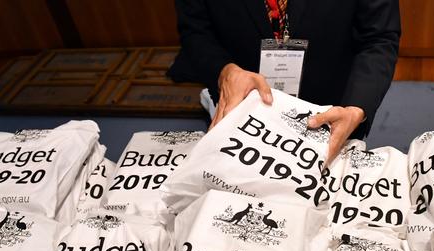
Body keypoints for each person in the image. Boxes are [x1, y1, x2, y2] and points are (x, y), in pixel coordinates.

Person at [168, 0, 400, 164]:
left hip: (331, 108)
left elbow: (378, 38)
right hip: (241, 105)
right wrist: (223, 71)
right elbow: (195, 31)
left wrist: (356, 107)